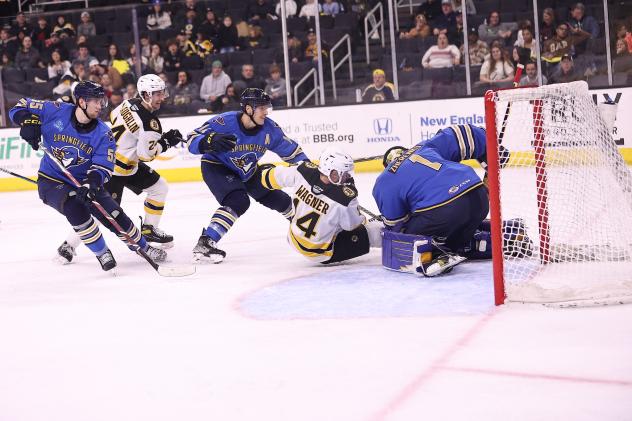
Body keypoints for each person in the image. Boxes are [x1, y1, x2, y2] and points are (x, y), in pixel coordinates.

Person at [9, 81, 167, 271]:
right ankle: (102, 252)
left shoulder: (103, 134)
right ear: (82, 102)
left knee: (115, 214)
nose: (101, 106)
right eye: (96, 101)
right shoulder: (56, 110)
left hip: (85, 181)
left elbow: (104, 167)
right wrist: (28, 121)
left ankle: (143, 247)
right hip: (52, 180)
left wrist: (91, 185)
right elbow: (20, 105)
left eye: (102, 101)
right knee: (74, 204)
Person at [186, 88, 309, 263]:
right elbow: (191, 139)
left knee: (280, 199)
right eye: (261, 108)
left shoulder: (269, 129)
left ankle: (306, 227)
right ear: (249, 109)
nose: (266, 112)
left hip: (248, 169)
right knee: (238, 201)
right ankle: (205, 243)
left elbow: (292, 152)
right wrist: (208, 141)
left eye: (267, 108)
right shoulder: (224, 122)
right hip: (217, 166)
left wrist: (308, 168)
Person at [373, 125, 491, 275]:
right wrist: (489, 148)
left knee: (407, 236)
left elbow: (396, 226)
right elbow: (462, 133)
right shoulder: (424, 147)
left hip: (445, 210)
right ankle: (490, 239)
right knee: (454, 237)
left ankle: (435, 255)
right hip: (478, 196)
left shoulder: (385, 179)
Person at [261, 148, 382, 263]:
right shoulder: (345, 199)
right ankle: (399, 242)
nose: (347, 178)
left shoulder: (302, 170)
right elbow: (351, 226)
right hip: (320, 253)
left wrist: (262, 172)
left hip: (293, 238)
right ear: (329, 171)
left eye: (347, 174)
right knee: (375, 232)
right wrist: (359, 213)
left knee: (331, 216)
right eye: (342, 174)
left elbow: (269, 177)